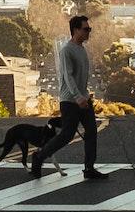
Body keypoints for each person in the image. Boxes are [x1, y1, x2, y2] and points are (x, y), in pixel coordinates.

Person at [31, 14, 100, 179]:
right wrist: (78, 97)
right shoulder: (67, 51)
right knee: (67, 135)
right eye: (86, 29)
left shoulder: (81, 49)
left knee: (91, 131)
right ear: (76, 30)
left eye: (89, 29)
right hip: (70, 100)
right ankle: (39, 156)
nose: (88, 32)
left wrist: (85, 95)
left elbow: (80, 76)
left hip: (83, 98)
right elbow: (68, 77)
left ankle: (89, 169)